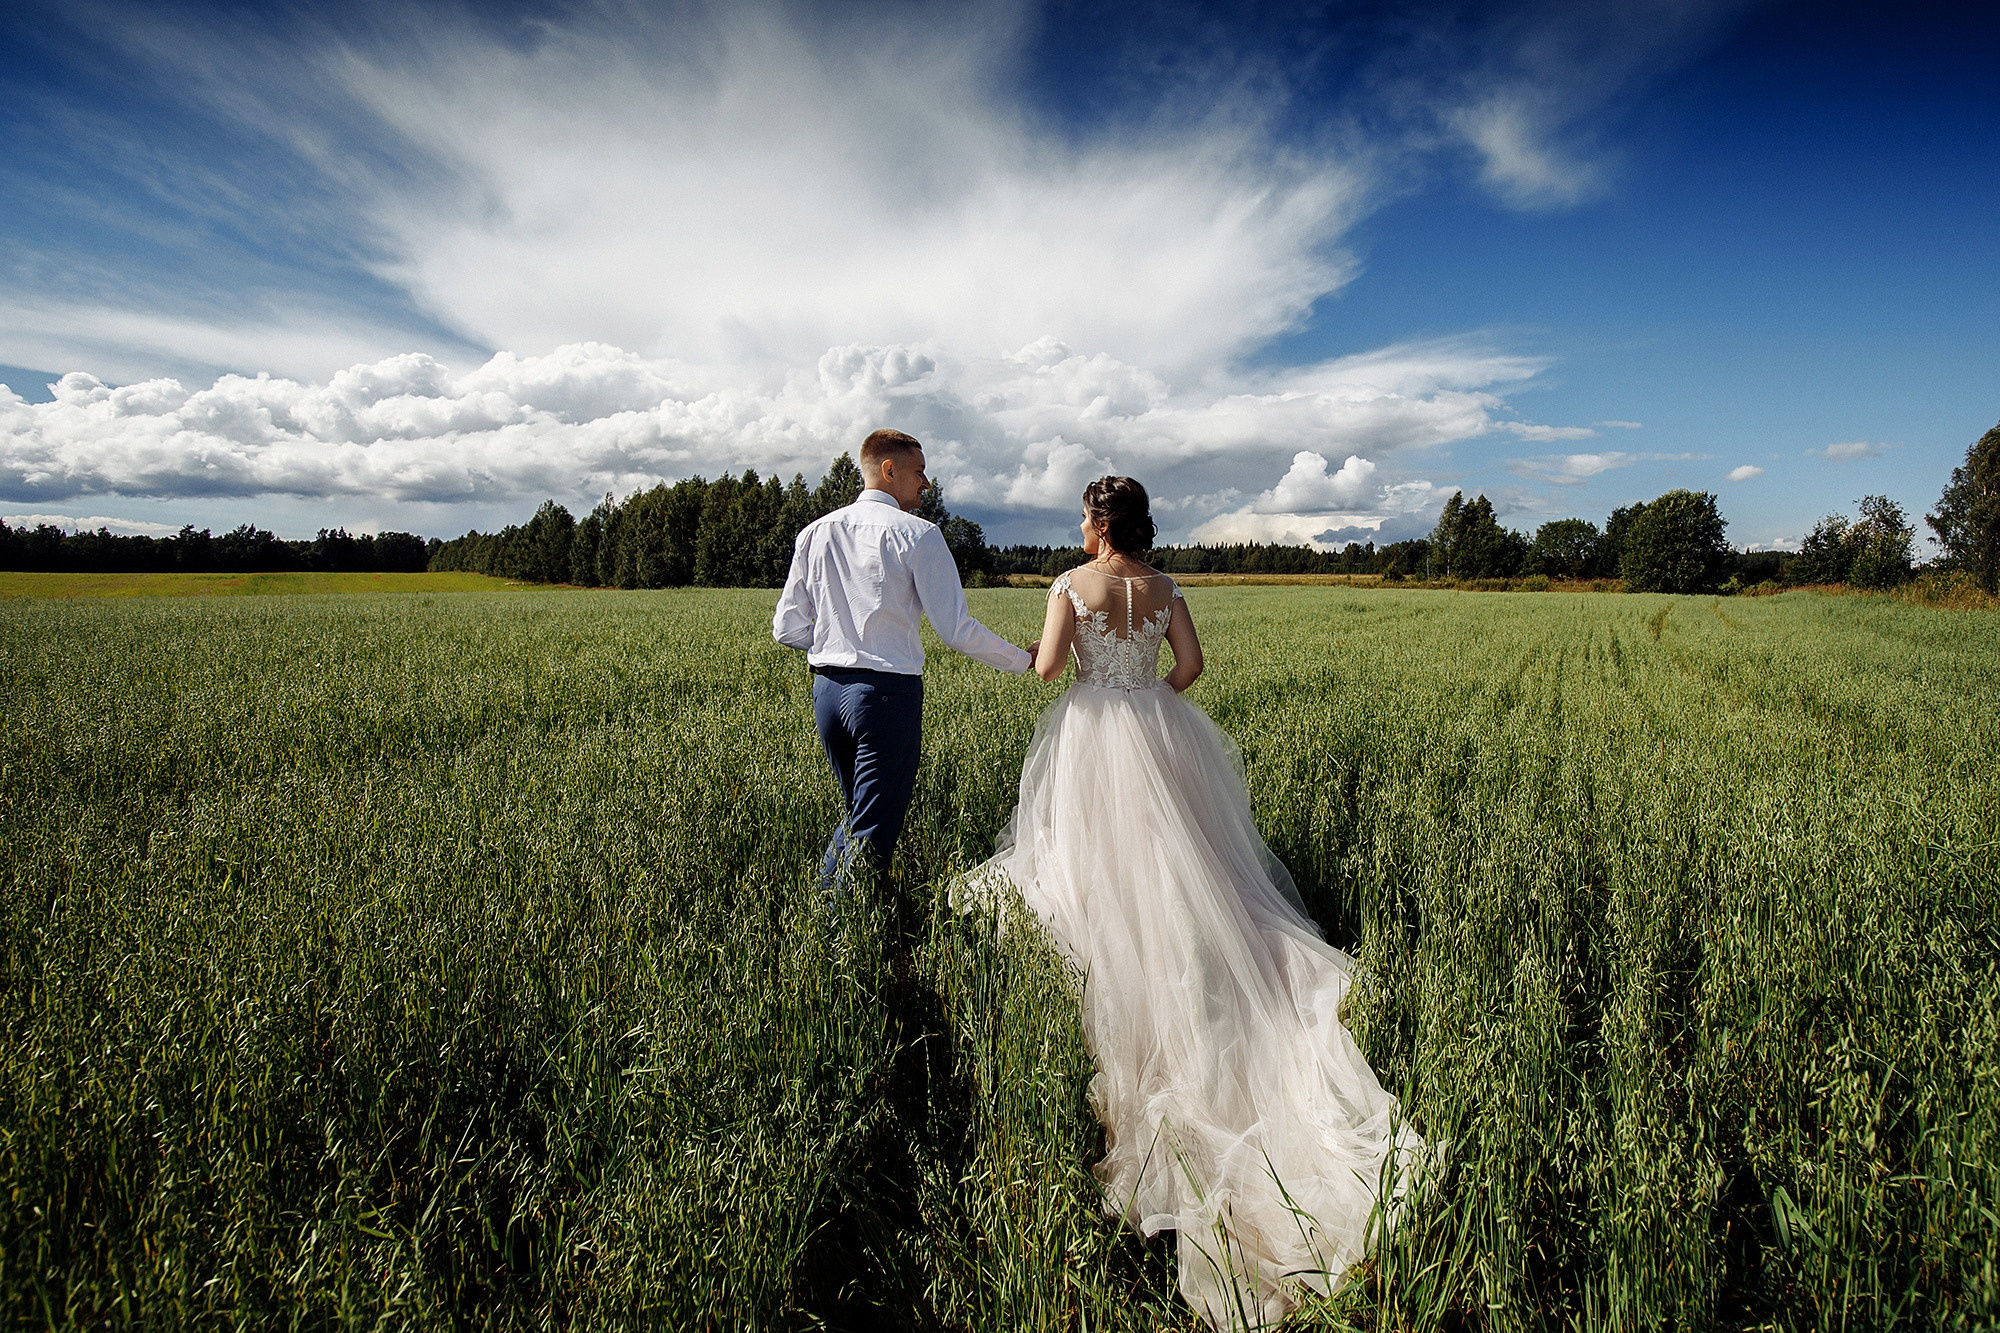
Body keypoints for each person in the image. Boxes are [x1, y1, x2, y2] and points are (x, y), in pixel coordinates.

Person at [961, 475, 1424, 1330]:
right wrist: (1148, 708)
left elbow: (1052, 666)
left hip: (1094, 737)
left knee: (1098, 871)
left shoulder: (1071, 583)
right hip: (1159, 735)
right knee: (1187, 870)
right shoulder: (1167, 587)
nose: (1079, 526)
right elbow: (1192, 667)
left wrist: (1075, 683)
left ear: (1099, 524)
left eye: (1083, 515)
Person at [773, 429, 1033, 918]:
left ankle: (836, 916)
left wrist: (837, 643)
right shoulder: (918, 534)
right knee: (874, 826)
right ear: (888, 471)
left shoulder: (816, 531)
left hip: (827, 692)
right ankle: (833, 936)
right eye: (919, 472)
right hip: (886, 697)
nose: (927, 484)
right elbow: (955, 629)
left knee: (859, 814)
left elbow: (787, 628)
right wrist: (1024, 660)